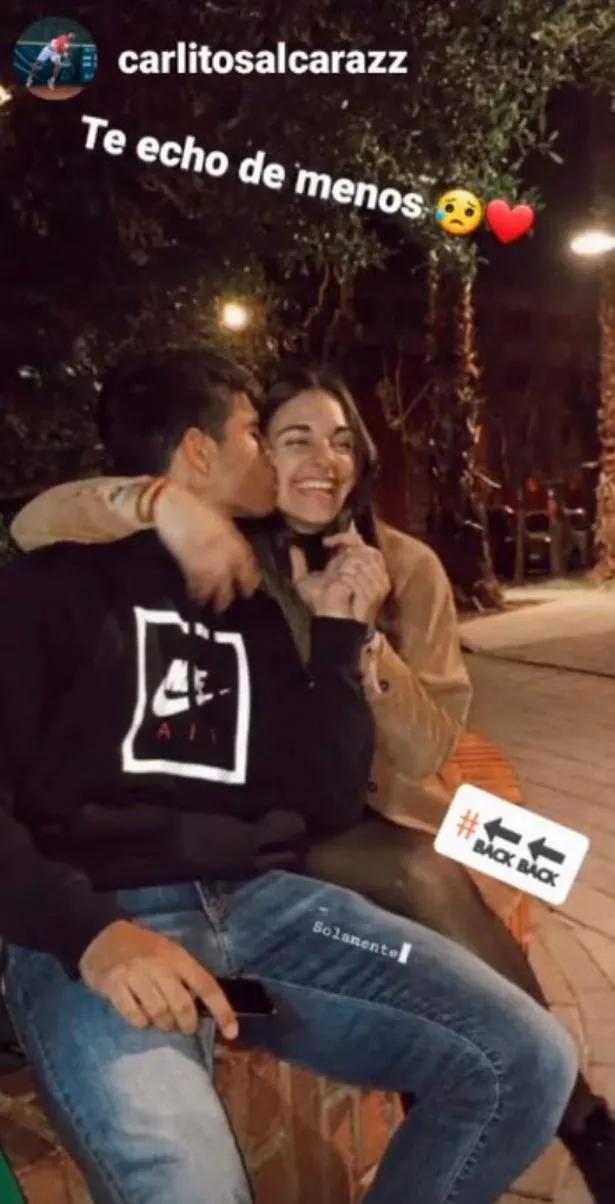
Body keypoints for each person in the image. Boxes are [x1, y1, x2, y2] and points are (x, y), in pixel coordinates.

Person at [13, 359, 614, 1202]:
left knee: (533, 878)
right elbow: (42, 519)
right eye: (283, 438)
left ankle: (558, 1103)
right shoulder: (196, 558)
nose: (315, 462)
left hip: (356, 823)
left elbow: (425, 751)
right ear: (210, 452)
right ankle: (558, 1109)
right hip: (274, 855)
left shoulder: (403, 565)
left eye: (339, 442)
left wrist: (351, 637)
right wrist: (160, 503)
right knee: (423, 875)